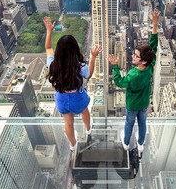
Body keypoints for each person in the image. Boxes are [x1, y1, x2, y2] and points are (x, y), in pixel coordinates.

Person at [44, 16, 101, 152]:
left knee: (68, 123)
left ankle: (73, 145)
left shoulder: (53, 65)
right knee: (85, 112)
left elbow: (48, 48)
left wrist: (49, 31)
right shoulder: (79, 67)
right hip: (78, 99)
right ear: (75, 50)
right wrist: (93, 57)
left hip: (62, 99)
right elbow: (90, 74)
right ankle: (88, 130)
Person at [108, 8, 159, 155]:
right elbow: (153, 45)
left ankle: (125, 142)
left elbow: (119, 82)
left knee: (129, 123)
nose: (133, 57)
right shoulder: (150, 65)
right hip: (144, 103)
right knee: (142, 123)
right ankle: (141, 143)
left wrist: (115, 66)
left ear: (142, 61)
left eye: (136, 56)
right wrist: (154, 24)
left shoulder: (133, 74)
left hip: (132, 105)